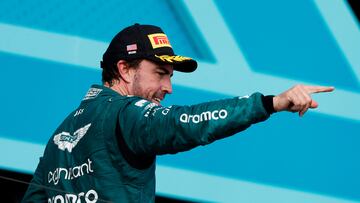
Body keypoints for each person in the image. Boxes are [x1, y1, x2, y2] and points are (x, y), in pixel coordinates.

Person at [22, 23, 334, 203]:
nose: (168, 86)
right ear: (125, 70)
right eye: (160, 73)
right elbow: (180, 124)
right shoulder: (126, 112)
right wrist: (269, 103)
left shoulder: (62, 133)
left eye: (171, 75)